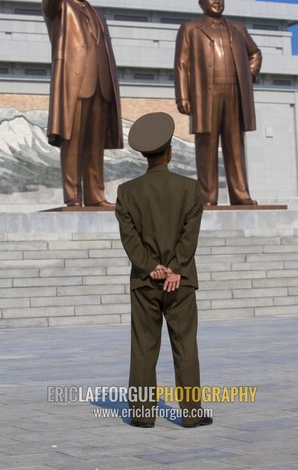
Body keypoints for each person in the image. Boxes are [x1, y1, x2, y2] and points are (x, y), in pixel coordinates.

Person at [115, 112, 213, 428]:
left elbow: (129, 239)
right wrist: (174, 269)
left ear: (145, 155)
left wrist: (151, 267)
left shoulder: (127, 192)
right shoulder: (189, 189)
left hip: (145, 283)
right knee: (185, 347)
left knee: (143, 347)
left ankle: (143, 415)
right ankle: (191, 414)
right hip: (180, 283)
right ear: (169, 151)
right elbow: (189, 235)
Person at [42, 0, 123, 207]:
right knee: (73, 142)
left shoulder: (98, 14)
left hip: (101, 86)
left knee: (95, 146)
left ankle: (96, 195)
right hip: (75, 85)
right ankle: (73, 195)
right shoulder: (60, 7)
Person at [174, 0, 262, 206]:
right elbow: (182, 65)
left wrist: (247, 76)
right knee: (206, 147)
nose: (216, 1)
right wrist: (183, 96)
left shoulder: (237, 28)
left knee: (235, 146)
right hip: (206, 95)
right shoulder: (191, 28)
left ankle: (240, 194)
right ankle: (208, 196)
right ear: (201, 3)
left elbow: (255, 54)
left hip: (234, 93)